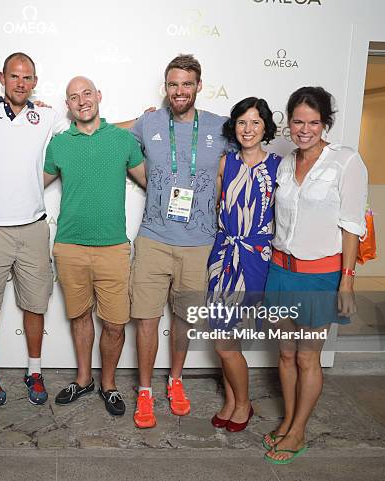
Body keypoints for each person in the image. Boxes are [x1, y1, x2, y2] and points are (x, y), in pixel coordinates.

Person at [262, 86, 367, 464]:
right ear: (288, 123)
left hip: (320, 276)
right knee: (286, 354)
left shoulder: (346, 161)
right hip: (280, 271)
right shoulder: (288, 161)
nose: (304, 129)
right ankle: (288, 421)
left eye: (313, 122)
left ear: (325, 124)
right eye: (298, 121)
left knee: (308, 358)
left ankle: (299, 431)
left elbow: (352, 225)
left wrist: (347, 279)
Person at [130, 54, 234, 428]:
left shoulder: (221, 127)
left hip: (200, 242)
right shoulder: (149, 121)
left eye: (186, 84)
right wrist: (51, 116)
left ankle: (174, 381)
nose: (179, 91)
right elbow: (108, 137)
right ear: (166, 87)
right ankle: (144, 392)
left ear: (198, 86)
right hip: (153, 239)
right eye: (173, 84)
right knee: (145, 319)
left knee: (184, 319)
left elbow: (250, 157)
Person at [44, 76, 146, 416]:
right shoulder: (58, 144)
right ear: (68, 106)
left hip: (113, 248)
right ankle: (84, 378)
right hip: (69, 247)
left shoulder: (122, 140)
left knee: (115, 323)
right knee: (79, 316)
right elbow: (29, 182)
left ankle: (109, 384)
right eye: (73, 96)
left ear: (99, 96)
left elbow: (152, 182)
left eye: (87, 93)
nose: (82, 100)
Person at [0, 52, 69, 406]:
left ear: (34, 82)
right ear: (2, 77)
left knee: (35, 305)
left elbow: (86, 127)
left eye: (27, 78)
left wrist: (138, 122)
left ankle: (34, 370)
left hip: (33, 227)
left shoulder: (45, 115)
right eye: (14, 77)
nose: (20, 83)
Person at [206, 97, 280, 432]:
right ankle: (232, 401)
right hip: (223, 256)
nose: (247, 129)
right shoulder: (224, 163)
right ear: (233, 127)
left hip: (255, 259)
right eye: (241, 122)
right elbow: (215, 208)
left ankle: (244, 403)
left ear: (265, 127)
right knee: (224, 338)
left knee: (227, 340)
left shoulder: (280, 166)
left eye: (255, 122)